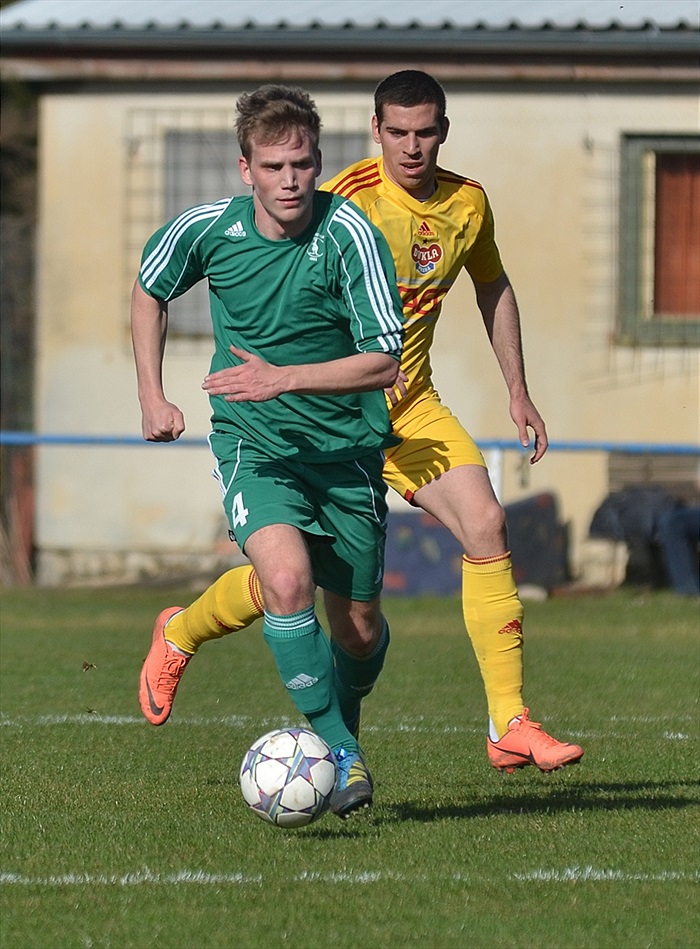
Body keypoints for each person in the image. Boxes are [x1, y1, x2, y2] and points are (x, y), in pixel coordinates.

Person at [145, 70, 584, 776]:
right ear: (375, 132)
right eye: (398, 132)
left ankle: (508, 720)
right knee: (291, 578)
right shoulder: (338, 202)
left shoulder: (468, 205)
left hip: (407, 409)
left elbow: (492, 283)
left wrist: (518, 390)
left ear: (444, 131)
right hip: (327, 415)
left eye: (427, 132)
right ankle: (190, 630)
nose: (412, 147)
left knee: (485, 526)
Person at [133, 84, 405, 819]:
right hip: (257, 447)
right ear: (244, 167)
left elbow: (385, 360)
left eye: (304, 164)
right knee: (285, 580)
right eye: (275, 165)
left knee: (359, 633)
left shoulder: (349, 234)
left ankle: (187, 630)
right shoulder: (208, 230)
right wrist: (152, 395)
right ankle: (341, 753)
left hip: (346, 453)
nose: (291, 181)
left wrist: (284, 376)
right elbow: (150, 289)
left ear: (318, 164)